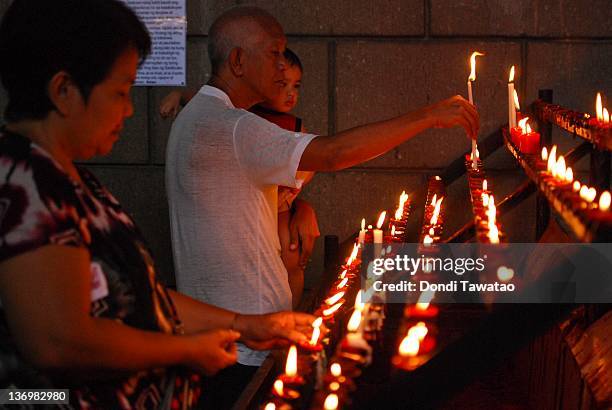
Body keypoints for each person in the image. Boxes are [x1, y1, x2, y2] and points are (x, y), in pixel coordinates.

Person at [0, 1, 315, 408]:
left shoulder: (68, 178)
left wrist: (244, 324)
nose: (129, 109)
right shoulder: (24, 181)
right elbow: (58, 341)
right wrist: (186, 350)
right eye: (119, 92)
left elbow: (139, 297)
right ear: (63, 91)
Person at [165, 3, 478, 381]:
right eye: (274, 54)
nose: (283, 67)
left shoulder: (197, 116)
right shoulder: (233, 127)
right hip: (245, 348)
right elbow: (332, 154)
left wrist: (301, 207)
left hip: (224, 338)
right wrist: (427, 117)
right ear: (237, 61)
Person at [161, 48, 316, 309]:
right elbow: (202, 97)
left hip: (281, 205)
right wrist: (177, 94)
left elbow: (308, 163)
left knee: (291, 257)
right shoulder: (240, 119)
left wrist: (297, 202)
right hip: (239, 273)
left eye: (296, 86)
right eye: (281, 83)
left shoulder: (294, 125)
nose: (290, 92)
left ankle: (293, 309)